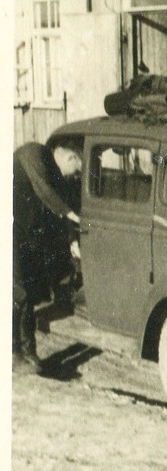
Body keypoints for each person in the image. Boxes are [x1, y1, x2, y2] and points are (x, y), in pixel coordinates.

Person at [13, 141, 82, 373]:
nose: (67, 177)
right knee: (16, 292)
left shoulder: (51, 170)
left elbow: (55, 201)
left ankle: (28, 351)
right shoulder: (33, 153)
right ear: (68, 158)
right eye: (70, 171)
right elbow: (44, 191)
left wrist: (72, 239)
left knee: (27, 294)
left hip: (24, 234)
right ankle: (13, 354)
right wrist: (72, 215)